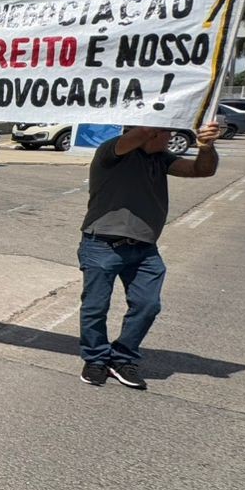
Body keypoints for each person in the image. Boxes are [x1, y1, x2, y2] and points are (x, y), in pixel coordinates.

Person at [77, 121, 221, 388]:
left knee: (147, 305)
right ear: (151, 131)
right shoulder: (112, 151)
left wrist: (206, 146)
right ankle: (95, 359)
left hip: (144, 249)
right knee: (96, 307)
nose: (172, 136)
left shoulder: (160, 158)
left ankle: (122, 359)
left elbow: (203, 170)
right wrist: (163, 107)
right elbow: (141, 131)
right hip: (102, 245)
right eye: (167, 131)